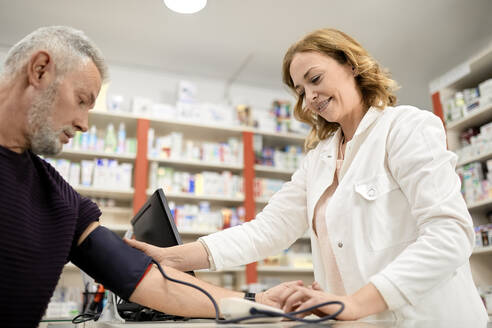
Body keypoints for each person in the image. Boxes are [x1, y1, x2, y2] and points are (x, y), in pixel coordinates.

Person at [126, 28, 489, 322]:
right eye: (301, 91)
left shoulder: (405, 127)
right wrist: (173, 257)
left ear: (351, 64)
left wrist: (357, 302)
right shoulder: (319, 158)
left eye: (315, 79)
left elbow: (450, 233)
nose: (310, 97)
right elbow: (267, 229)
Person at [0, 26, 285, 327]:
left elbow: (142, 279)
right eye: (82, 100)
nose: (84, 123)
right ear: (40, 70)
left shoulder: (56, 195)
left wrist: (255, 302)